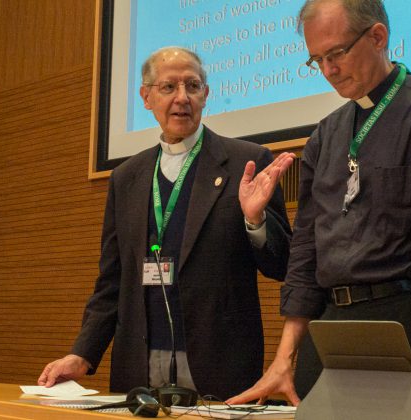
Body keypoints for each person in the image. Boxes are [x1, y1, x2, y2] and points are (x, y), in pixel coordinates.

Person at [227, 1, 411, 419]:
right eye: (316, 60)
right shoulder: (325, 134)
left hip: (404, 322)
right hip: (329, 328)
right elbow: (305, 253)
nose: (328, 70)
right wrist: (284, 359)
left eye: (336, 54)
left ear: (377, 37)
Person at [38, 47, 294, 400]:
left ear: (206, 94)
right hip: (139, 363)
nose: (182, 98)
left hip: (220, 364)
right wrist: (83, 354)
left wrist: (255, 219)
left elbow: (282, 265)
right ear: (146, 97)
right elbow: (112, 280)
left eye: (192, 85)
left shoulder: (245, 163)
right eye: (168, 87)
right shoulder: (126, 177)